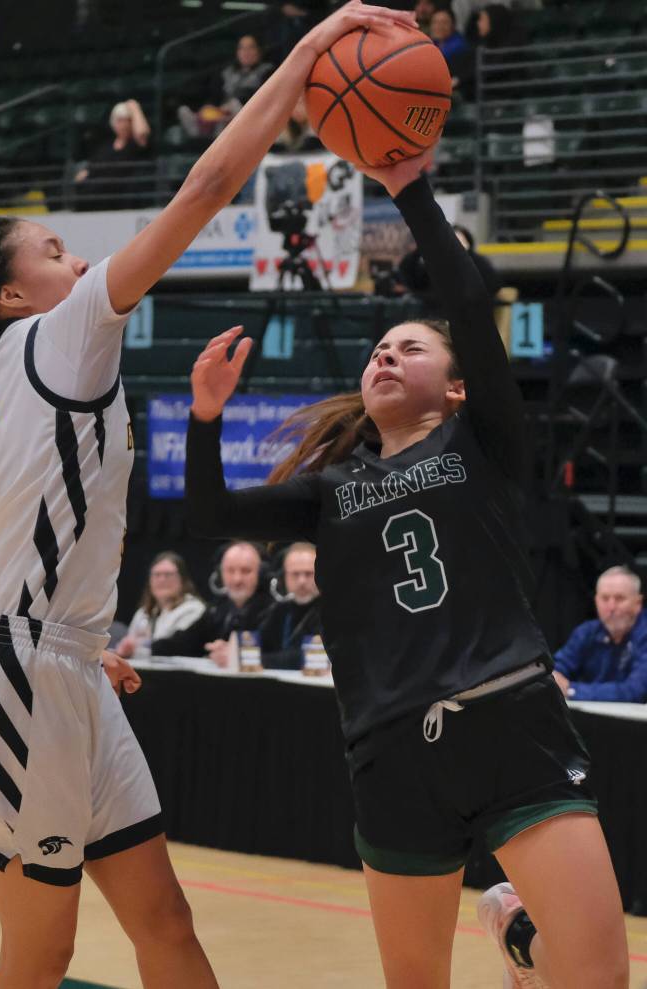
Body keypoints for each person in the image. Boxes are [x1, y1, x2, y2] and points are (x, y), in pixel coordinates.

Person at [0, 5, 418, 986]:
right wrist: (306, 53)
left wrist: (55, 630)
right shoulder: (60, 336)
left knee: (165, 921)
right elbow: (205, 186)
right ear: (15, 294)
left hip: (48, 665)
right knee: (42, 952)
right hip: (21, 676)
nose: (76, 259)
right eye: (55, 251)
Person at [182, 143, 628, 987]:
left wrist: (408, 189)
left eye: (411, 349)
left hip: (510, 721)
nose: (386, 355)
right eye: (379, 348)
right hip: (392, 749)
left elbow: (464, 292)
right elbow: (209, 517)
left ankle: (529, 946)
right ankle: (525, 943)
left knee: (602, 978)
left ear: (457, 387)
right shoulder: (331, 489)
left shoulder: (482, 441)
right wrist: (206, 419)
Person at [152, 542, 272, 664]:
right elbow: (185, 643)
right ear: (220, 574)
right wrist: (144, 647)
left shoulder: (273, 608)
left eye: (246, 571)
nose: (237, 579)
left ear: (261, 574)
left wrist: (240, 657)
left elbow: (286, 656)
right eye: (230, 571)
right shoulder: (219, 608)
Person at [552, 565, 647, 704]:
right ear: (596, 601)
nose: (611, 607)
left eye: (619, 598)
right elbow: (555, 670)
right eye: (605, 598)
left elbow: (635, 691)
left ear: (638, 603)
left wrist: (571, 689)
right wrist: (554, 679)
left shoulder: (643, 634)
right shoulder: (586, 632)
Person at [178, 35, 274, 140]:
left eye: (251, 47)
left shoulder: (267, 71)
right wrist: (210, 106)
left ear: (259, 51)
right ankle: (201, 140)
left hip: (248, 114)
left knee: (234, 105)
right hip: (222, 114)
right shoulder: (227, 72)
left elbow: (263, 97)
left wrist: (234, 104)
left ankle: (221, 141)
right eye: (242, 48)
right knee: (184, 111)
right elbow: (216, 95)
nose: (246, 52)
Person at [115, 552, 205, 659]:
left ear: (182, 579)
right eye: (157, 575)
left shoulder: (193, 609)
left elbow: (174, 646)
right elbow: (129, 643)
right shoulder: (143, 612)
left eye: (168, 575)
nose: (162, 580)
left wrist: (139, 647)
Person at [75, 100, 152, 211]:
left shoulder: (134, 145)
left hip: (124, 198)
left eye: (128, 121)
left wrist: (135, 108)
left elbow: (142, 133)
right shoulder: (104, 147)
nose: (124, 124)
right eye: (120, 120)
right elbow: (90, 169)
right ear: (113, 123)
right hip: (98, 200)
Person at [258, 542, 322, 670]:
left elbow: (309, 658)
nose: (301, 581)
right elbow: (256, 645)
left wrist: (256, 659)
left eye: (309, 574)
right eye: (295, 574)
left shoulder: (333, 611)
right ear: (283, 578)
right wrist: (232, 650)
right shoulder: (278, 609)